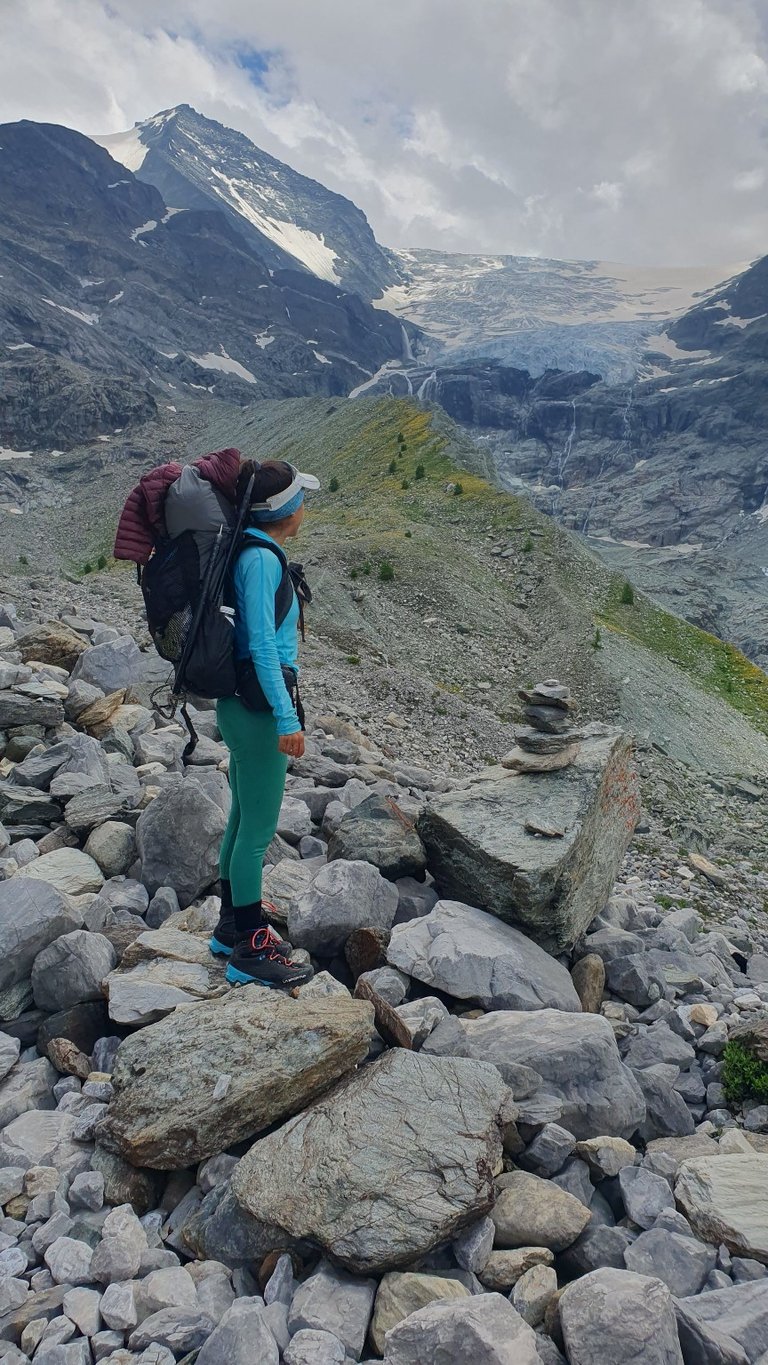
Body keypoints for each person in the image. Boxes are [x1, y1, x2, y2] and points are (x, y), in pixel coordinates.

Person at [209, 458, 320, 989]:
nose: (306, 507)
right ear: (284, 509)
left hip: (238, 705)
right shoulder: (261, 560)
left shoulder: (252, 550)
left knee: (240, 819)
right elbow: (261, 648)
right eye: (302, 498)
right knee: (257, 832)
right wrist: (286, 717)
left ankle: (231, 925)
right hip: (257, 710)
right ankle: (250, 950)